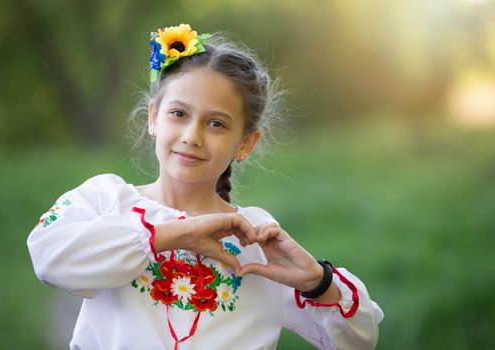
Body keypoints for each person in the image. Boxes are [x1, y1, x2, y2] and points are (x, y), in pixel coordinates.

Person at [27, 23, 383, 350]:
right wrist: (171, 235)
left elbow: (358, 340)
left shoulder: (255, 242)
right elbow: (50, 259)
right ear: (154, 118)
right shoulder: (106, 198)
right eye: (179, 114)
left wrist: (317, 282)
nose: (192, 137)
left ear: (245, 143)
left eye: (216, 123)